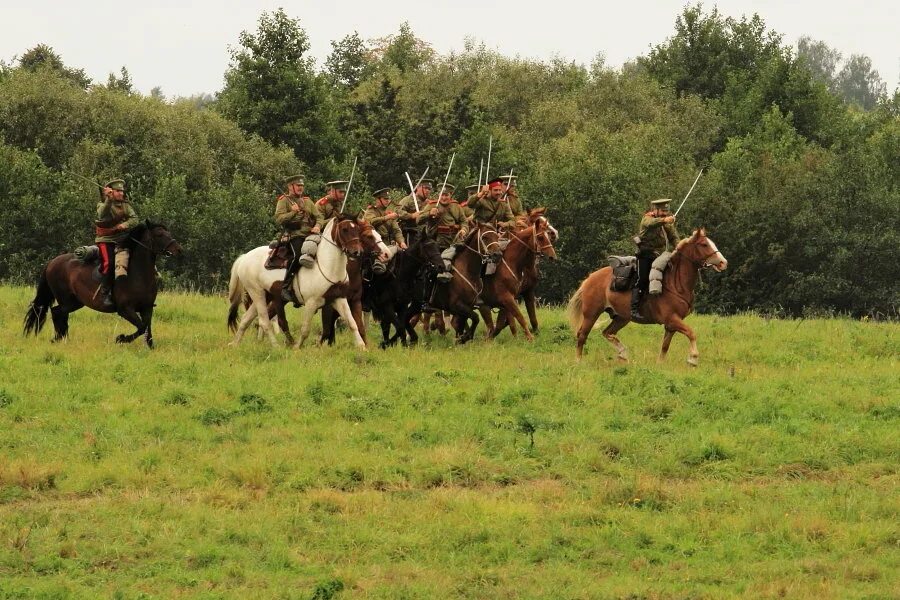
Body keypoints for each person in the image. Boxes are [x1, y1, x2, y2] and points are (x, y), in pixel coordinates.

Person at [275, 175, 323, 307]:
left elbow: (319, 217)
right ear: (290, 187)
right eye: (298, 186)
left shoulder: (307, 201)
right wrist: (293, 213)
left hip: (310, 235)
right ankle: (285, 287)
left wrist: (318, 226)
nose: (301, 188)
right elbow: (279, 219)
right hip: (294, 235)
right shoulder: (283, 201)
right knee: (297, 256)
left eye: (302, 186)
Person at [632, 198, 681, 321]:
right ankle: (633, 309)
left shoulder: (666, 223)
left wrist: (680, 248)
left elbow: (673, 237)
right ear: (655, 210)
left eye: (666, 211)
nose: (665, 213)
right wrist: (665, 220)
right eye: (663, 211)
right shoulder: (647, 219)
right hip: (645, 255)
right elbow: (651, 223)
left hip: (659, 256)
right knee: (642, 279)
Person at [94, 178, 139, 308]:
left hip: (123, 238)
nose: (121, 193)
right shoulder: (102, 204)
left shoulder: (126, 205)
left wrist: (124, 225)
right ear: (111, 192)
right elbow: (102, 214)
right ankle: (105, 292)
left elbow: (135, 219)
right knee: (109, 263)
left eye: (122, 191)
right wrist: (108, 199)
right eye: (118, 191)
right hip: (106, 240)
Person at [416, 183, 468, 283]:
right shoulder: (432, 205)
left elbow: (464, 221)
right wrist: (429, 213)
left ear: (451, 195)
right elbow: (418, 220)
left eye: (446, 195)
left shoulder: (456, 206)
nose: (444, 198)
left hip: (453, 241)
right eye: (442, 195)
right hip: (435, 242)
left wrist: (463, 229)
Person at [362, 188, 406, 273]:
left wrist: (401, 242)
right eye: (385, 199)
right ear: (378, 200)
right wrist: (387, 218)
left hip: (387, 245)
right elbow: (371, 222)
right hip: (374, 246)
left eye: (388, 199)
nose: (388, 201)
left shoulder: (389, 212)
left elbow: (396, 230)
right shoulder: (371, 211)